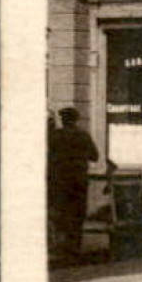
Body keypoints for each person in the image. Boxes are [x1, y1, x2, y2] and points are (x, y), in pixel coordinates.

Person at [48, 107, 101, 266]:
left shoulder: (55, 136)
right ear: (76, 119)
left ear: (62, 120)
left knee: (61, 214)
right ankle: (75, 248)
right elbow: (95, 156)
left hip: (60, 181)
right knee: (77, 214)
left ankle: (62, 247)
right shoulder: (83, 135)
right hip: (79, 181)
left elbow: (48, 155)